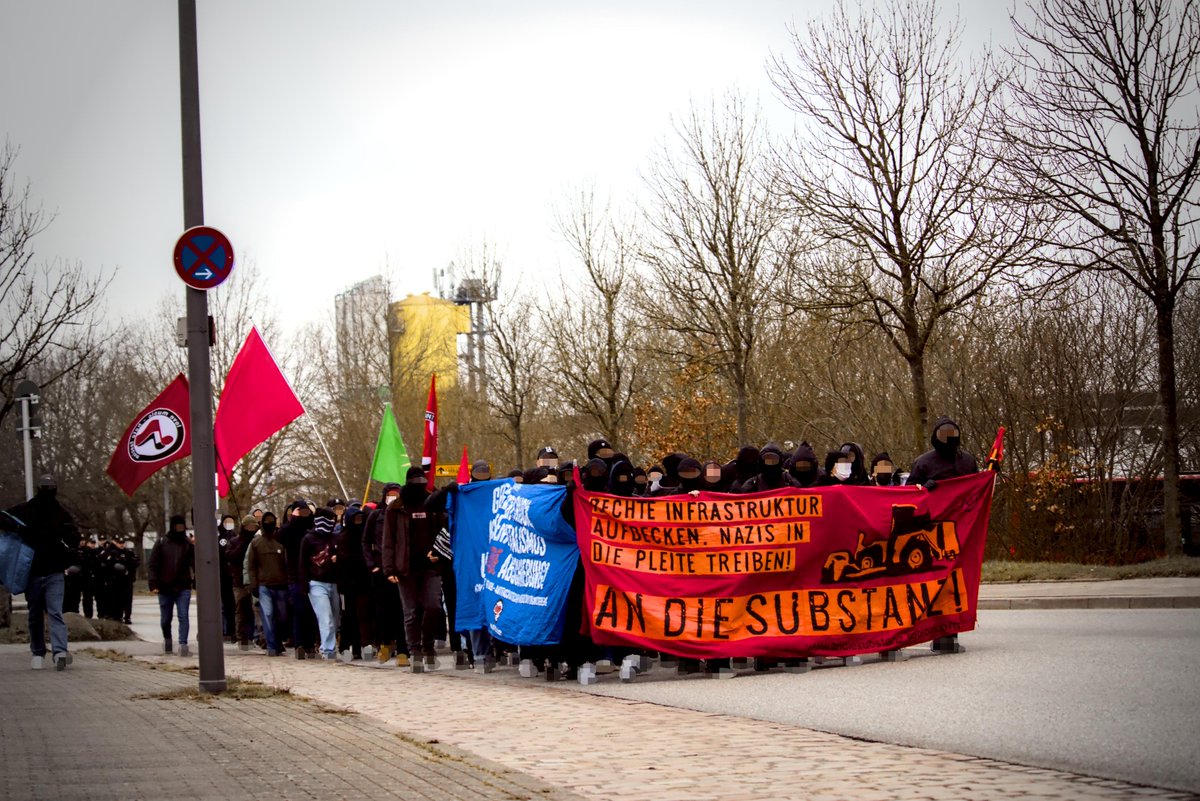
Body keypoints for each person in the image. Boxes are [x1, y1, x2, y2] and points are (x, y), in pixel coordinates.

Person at [908, 416, 979, 654]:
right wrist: (923, 488)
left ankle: (952, 632)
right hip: (934, 531)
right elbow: (909, 494)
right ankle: (937, 632)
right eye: (943, 433)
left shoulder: (968, 461)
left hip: (963, 529)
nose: (948, 437)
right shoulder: (923, 463)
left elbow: (976, 488)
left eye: (952, 432)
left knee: (958, 582)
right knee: (937, 582)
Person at [6, 473, 80, 671]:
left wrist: (19, 530)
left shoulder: (27, 510)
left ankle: (44, 653)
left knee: (37, 613)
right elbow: (74, 537)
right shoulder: (60, 513)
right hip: (48, 570)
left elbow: (4, 519)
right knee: (51, 612)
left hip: (37, 570)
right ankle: (56, 652)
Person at [384, 466, 443, 670]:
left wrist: (439, 553)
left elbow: (443, 530)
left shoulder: (433, 502)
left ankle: (428, 645)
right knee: (411, 612)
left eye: (422, 480)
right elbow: (388, 541)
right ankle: (415, 650)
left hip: (431, 566)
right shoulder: (396, 508)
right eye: (415, 481)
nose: (419, 485)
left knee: (434, 606)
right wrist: (389, 569)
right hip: (405, 567)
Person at [362, 483, 407, 664]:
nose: (393, 498)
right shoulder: (376, 516)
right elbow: (365, 541)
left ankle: (403, 648)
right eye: (390, 495)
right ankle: (385, 643)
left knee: (402, 610)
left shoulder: (404, 514)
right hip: (380, 569)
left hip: (400, 569)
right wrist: (372, 564)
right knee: (382, 610)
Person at [148, 514, 195, 657]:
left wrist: (197, 580)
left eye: (182, 527)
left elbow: (194, 563)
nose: (180, 529)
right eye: (178, 527)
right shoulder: (162, 543)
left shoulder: (187, 544)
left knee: (183, 616)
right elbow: (153, 565)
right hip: (165, 586)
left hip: (183, 586)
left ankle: (183, 644)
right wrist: (153, 583)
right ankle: (168, 639)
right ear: (173, 527)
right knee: (165, 618)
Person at [245, 508, 289, 656]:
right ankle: (271, 645)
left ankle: (278, 641)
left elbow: (287, 563)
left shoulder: (281, 541)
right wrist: (253, 585)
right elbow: (250, 565)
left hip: (281, 585)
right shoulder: (256, 543)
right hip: (264, 586)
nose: (269, 524)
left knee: (282, 617)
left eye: (272, 521)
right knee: (268, 615)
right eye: (267, 521)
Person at [300, 507, 340, 660]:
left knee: (335, 619)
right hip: (316, 583)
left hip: (334, 583)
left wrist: (338, 560)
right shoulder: (308, 539)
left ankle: (329, 644)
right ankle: (327, 649)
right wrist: (304, 586)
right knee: (326, 618)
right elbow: (302, 563)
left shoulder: (336, 538)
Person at [279, 501, 317, 659]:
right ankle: (299, 644)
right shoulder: (290, 530)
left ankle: (310, 644)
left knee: (310, 612)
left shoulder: (312, 528)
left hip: (312, 575)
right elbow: (280, 536)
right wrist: (293, 519)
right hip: (295, 576)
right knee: (299, 610)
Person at [335, 504, 372, 661]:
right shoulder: (343, 538)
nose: (358, 522)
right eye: (355, 519)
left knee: (363, 614)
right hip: (348, 583)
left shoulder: (364, 537)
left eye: (360, 519)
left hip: (363, 581)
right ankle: (345, 647)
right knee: (348, 616)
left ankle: (360, 646)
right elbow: (344, 560)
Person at [225, 514, 258, 649]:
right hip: (239, 581)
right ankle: (241, 637)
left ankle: (257, 636)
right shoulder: (235, 541)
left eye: (253, 526)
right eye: (249, 526)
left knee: (256, 610)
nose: (251, 529)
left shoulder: (257, 541)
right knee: (241, 610)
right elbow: (230, 556)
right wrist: (243, 543)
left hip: (254, 580)